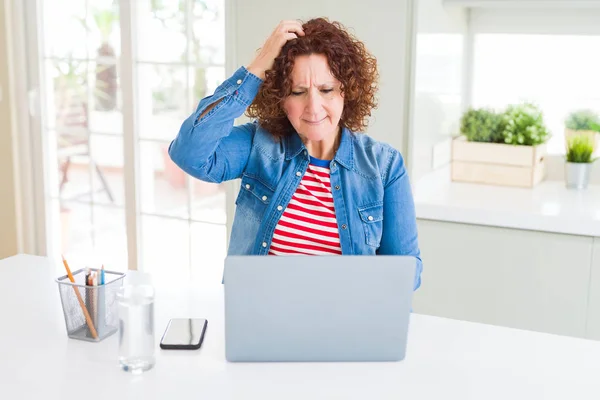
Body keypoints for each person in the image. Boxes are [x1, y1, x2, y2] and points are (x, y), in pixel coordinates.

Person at [169, 18, 423, 290]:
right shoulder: (260, 144)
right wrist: (258, 66)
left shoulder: (384, 165)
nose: (313, 108)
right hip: (262, 321)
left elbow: (408, 274)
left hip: (347, 325)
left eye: (326, 90)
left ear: (346, 91)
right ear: (280, 97)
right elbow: (189, 152)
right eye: (298, 92)